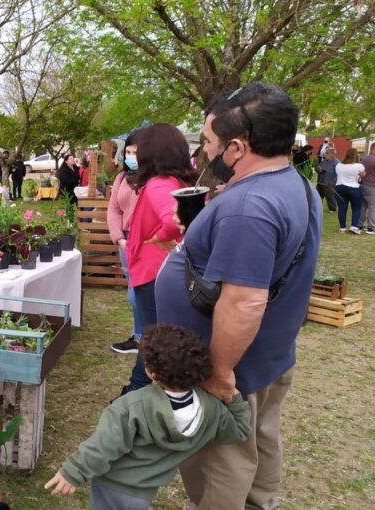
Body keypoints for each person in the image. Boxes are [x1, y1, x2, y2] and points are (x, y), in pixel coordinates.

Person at [154, 82, 322, 509]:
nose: (204, 153)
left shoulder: (250, 206)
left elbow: (244, 301)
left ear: (236, 147)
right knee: (260, 438)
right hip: (270, 355)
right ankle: (258, 503)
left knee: (220, 456)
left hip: (234, 366)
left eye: (208, 143)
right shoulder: (295, 184)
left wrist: (219, 371)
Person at [44, 325, 251, 509]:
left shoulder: (131, 407)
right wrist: (233, 396)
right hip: (144, 492)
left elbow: (104, 444)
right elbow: (239, 431)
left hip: (113, 484)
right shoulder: (212, 409)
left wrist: (73, 471)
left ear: (152, 372)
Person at [123, 123, 196, 393]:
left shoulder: (158, 184)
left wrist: (159, 236)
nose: (134, 157)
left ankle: (137, 389)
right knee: (156, 334)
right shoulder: (177, 181)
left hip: (152, 272)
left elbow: (174, 221)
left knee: (152, 337)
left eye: (138, 151)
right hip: (160, 271)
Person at [107, 132, 142, 354]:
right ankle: (139, 334)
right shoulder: (121, 178)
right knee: (133, 290)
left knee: (140, 291)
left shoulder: (156, 179)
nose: (130, 157)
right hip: (126, 241)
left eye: (135, 153)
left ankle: (146, 337)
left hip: (148, 241)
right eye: (128, 152)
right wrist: (119, 238)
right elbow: (114, 210)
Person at [334, 148, 366, 234]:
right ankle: (353, 226)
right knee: (356, 208)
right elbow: (363, 174)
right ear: (356, 156)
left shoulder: (338, 165)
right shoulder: (359, 165)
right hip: (354, 188)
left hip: (339, 187)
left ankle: (342, 228)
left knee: (342, 208)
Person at [315, 146, 338, 212]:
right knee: (318, 196)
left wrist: (333, 182)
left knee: (330, 197)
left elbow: (338, 174)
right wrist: (318, 169)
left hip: (329, 183)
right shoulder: (323, 161)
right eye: (325, 153)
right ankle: (318, 207)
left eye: (327, 153)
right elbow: (318, 167)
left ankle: (332, 209)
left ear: (332, 154)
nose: (325, 154)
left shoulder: (336, 163)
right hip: (320, 182)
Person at [360, 144, 375, 233]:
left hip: (363, 184)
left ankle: (359, 225)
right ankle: (372, 227)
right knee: (372, 207)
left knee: (363, 206)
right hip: (372, 186)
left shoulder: (364, 159)